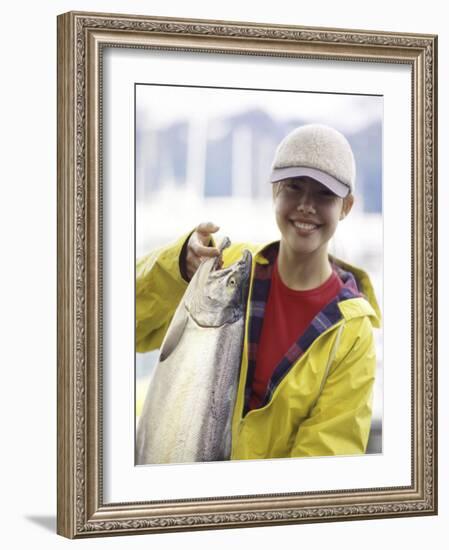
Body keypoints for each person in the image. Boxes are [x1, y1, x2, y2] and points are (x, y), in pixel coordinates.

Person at [136, 123, 381, 460]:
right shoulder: (223, 268)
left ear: (347, 206)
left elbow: (324, 463)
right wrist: (176, 267)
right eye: (294, 187)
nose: (306, 205)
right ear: (274, 192)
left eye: (325, 193)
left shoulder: (353, 335)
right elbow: (123, 327)